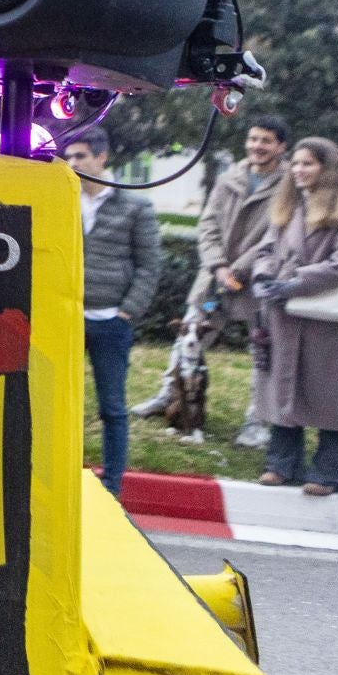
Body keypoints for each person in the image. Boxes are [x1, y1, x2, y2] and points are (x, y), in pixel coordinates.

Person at [133, 115, 291, 448]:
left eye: (266, 141)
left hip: (258, 283)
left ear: (281, 146)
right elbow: (207, 225)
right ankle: (169, 396)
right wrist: (219, 266)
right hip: (215, 284)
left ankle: (257, 421)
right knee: (189, 335)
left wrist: (240, 269)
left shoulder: (289, 185)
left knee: (263, 352)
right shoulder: (229, 177)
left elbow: (278, 235)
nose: (257, 146)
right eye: (253, 139)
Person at [250, 136, 338, 496]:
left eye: (308, 164)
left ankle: (329, 470)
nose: (299, 170)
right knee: (284, 385)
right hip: (283, 316)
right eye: (297, 163)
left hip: (326, 320)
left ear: (326, 168)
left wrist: (293, 283)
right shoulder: (288, 208)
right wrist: (262, 277)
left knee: (332, 394)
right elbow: (266, 250)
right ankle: (281, 463)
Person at [63, 127, 161, 499]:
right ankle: (63, 477)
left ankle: (112, 485)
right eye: (69, 157)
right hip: (67, 319)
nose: (73, 164)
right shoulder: (65, 199)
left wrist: (128, 312)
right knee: (60, 403)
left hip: (111, 321)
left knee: (113, 407)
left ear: (101, 158)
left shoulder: (135, 205)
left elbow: (149, 265)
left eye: (81, 157)